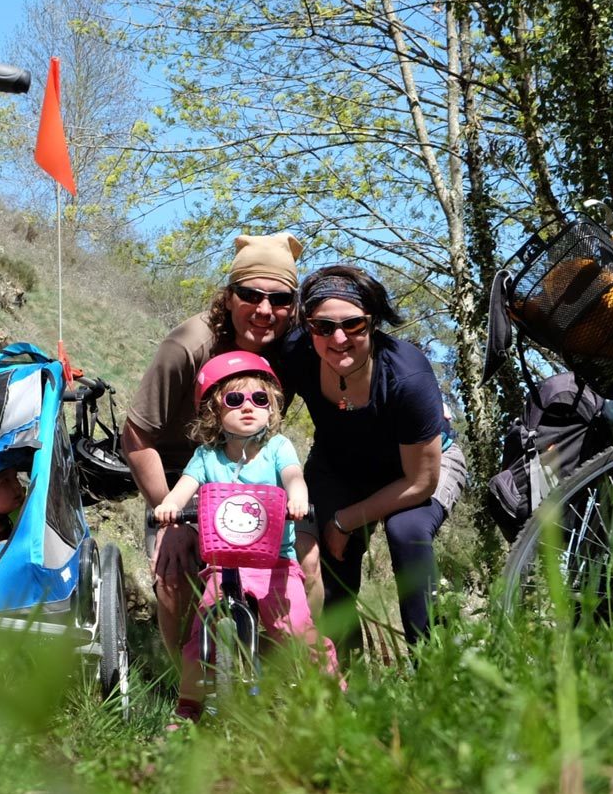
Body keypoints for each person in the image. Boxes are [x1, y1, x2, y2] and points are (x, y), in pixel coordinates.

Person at [123, 232, 325, 670]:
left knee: (307, 559)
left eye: (280, 299)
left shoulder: (291, 350)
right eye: (251, 294)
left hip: (260, 473)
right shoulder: (188, 346)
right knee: (173, 573)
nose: (265, 310)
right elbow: (136, 436)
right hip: (182, 472)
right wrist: (171, 518)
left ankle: (286, 677)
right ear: (229, 296)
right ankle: (184, 682)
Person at [279, 264, 467, 659]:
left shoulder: (406, 376)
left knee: (407, 532)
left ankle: (434, 667)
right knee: (329, 558)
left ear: (373, 323)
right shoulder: (298, 352)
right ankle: (348, 683)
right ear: (308, 326)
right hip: (339, 462)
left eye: (354, 324)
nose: (339, 337)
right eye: (323, 326)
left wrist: (347, 520)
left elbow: (421, 482)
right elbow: (258, 406)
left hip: (421, 469)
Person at [153, 351, 336, 726]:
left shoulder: (277, 448)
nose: (248, 407)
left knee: (298, 630)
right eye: (234, 400)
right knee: (200, 636)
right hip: (224, 563)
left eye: (260, 399)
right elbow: (184, 488)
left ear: (272, 408)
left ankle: (331, 696)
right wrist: (169, 506)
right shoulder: (207, 457)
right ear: (215, 413)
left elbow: (292, 477)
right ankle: (189, 706)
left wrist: (298, 496)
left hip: (276, 563)